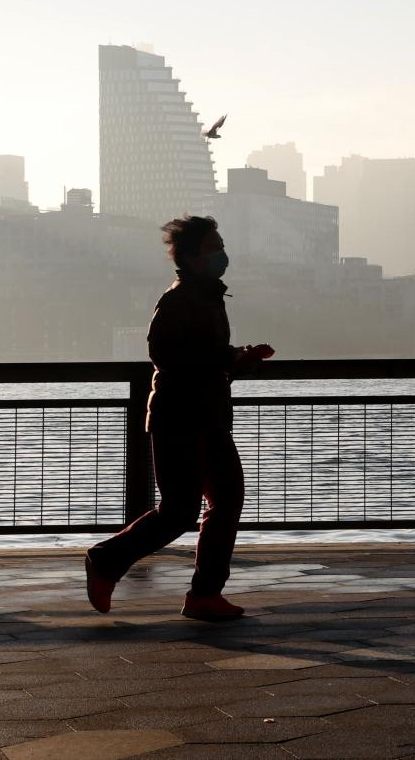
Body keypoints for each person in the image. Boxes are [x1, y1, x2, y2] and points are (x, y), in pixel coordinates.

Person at [85, 216, 274, 621]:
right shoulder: (178, 299)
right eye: (214, 246)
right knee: (179, 511)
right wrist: (229, 358)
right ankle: (105, 559)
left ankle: (205, 594)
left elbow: (203, 353)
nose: (223, 253)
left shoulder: (207, 297)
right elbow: (166, 355)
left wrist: (236, 357)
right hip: (181, 420)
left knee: (225, 501)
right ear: (190, 256)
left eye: (221, 244)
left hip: (208, 417)